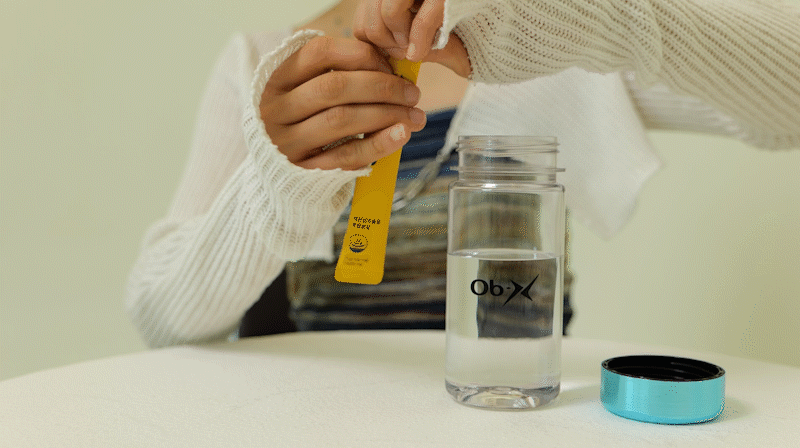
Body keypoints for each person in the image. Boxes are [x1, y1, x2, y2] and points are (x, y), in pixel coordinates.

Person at [126, 0, 800, 347]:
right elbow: (162, 318)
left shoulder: (556, 42)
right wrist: (277, 182)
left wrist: (588, 18)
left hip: (513, 415)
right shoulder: (262, 64)